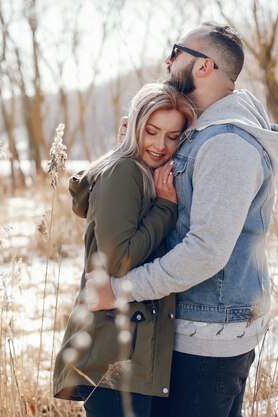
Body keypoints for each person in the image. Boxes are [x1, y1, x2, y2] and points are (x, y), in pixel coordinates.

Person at [86, 23, 278, 417]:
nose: (167, 60)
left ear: (203, 66)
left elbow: (207, 251)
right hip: (197, 329)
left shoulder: (228, 143)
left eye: (176, 51)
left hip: (206, 339)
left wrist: (123, 289)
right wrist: (128, 154)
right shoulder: (205, 130)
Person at [53, 83, 196, 417]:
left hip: (131, 351)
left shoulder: (141, 172)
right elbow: (117, 262)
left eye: (173, 136)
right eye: (151, 131)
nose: (161, 145)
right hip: (113, 354)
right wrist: (164, 208)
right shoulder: (124, 171)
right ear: (134, 127)